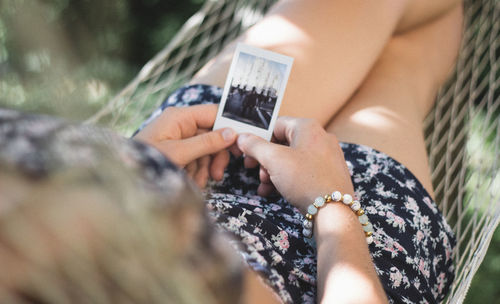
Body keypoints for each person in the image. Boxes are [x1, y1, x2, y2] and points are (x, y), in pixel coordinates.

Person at [135, 0, 463, 303]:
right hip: (351, 253)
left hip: (176, 170)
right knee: (409, 54)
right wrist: (332, 200)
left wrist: (130, 170)